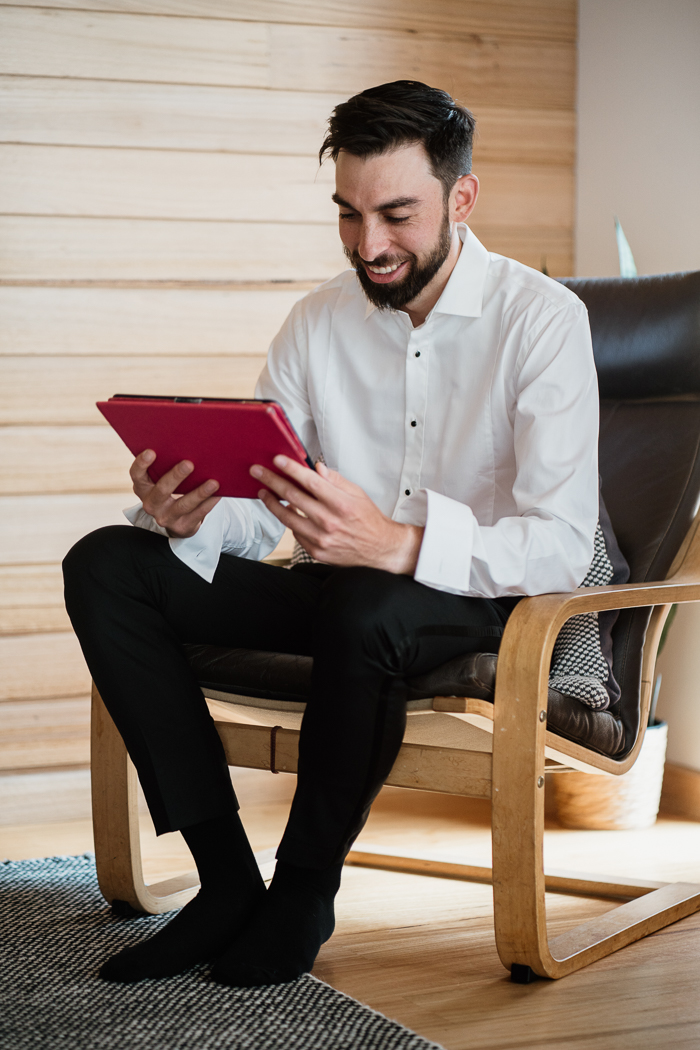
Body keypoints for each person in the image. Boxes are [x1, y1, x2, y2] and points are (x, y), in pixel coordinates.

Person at [63, 81, 600, 987]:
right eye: (349, 216)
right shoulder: (318, 322)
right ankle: (226, 882)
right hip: (339, 586)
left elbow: (555, 544)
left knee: (362, 600)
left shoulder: (543, 322)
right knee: (110, 564)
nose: (370, 245)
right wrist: (189, 513)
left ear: (461, 198)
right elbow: (264, 504)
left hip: (481, 603)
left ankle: (305, 889)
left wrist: (396, 543)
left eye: (397, 215)